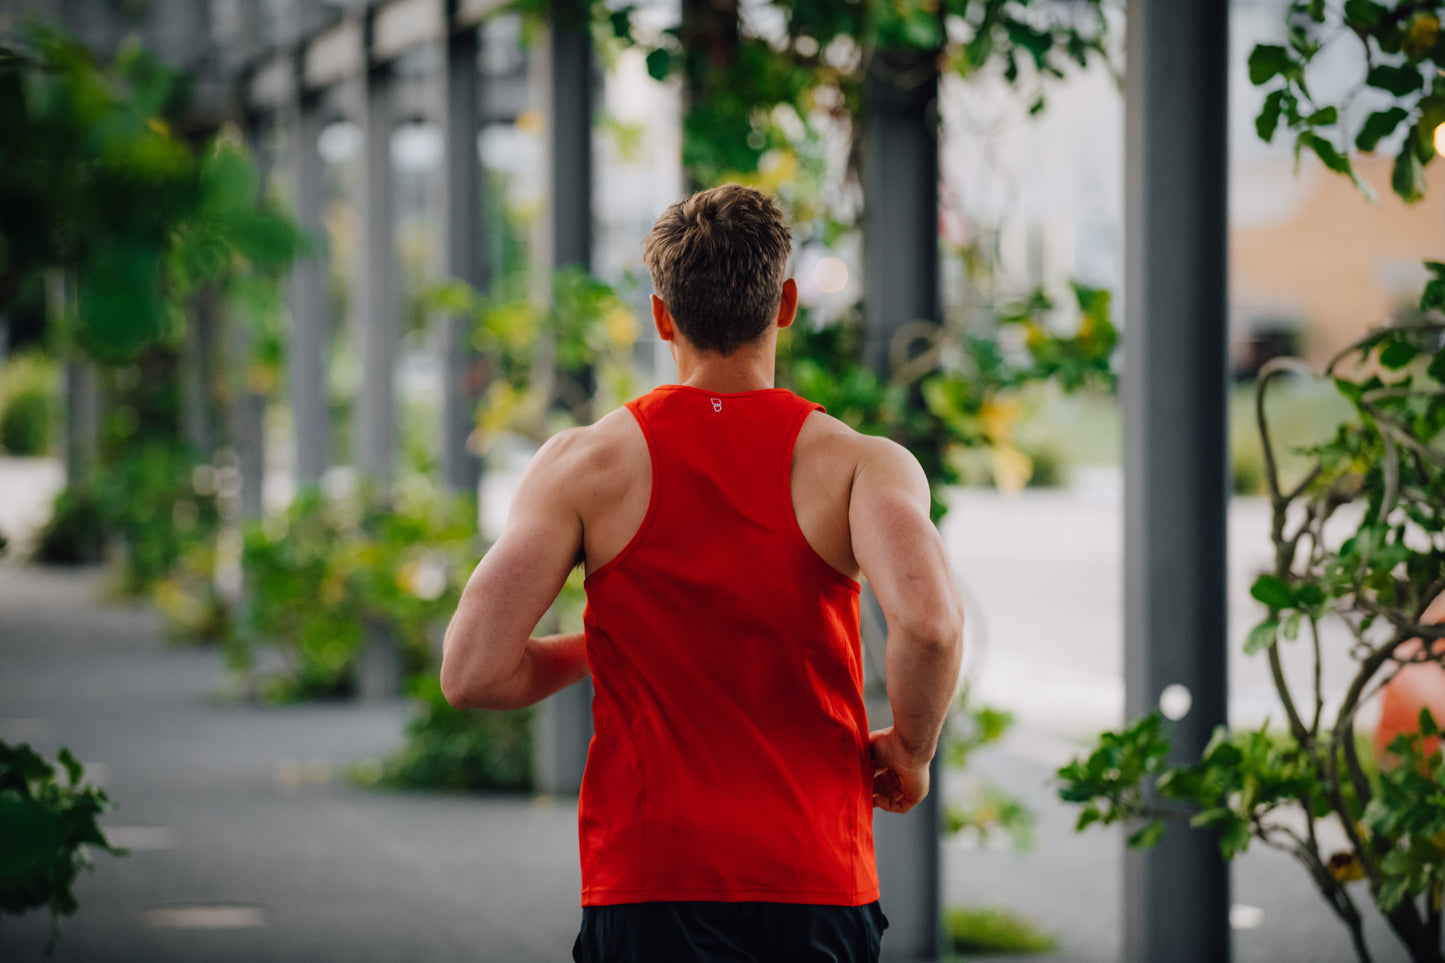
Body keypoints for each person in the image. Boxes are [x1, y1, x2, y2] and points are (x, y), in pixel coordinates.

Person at [440, 184, 964, 963]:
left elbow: (473, 671)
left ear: (661, 316)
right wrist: (912, 751)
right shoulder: (861, 465)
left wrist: (608, 641)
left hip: (651, 876)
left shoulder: (581, 464)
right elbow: (928, 624)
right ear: (785, 304)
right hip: (814, 871)